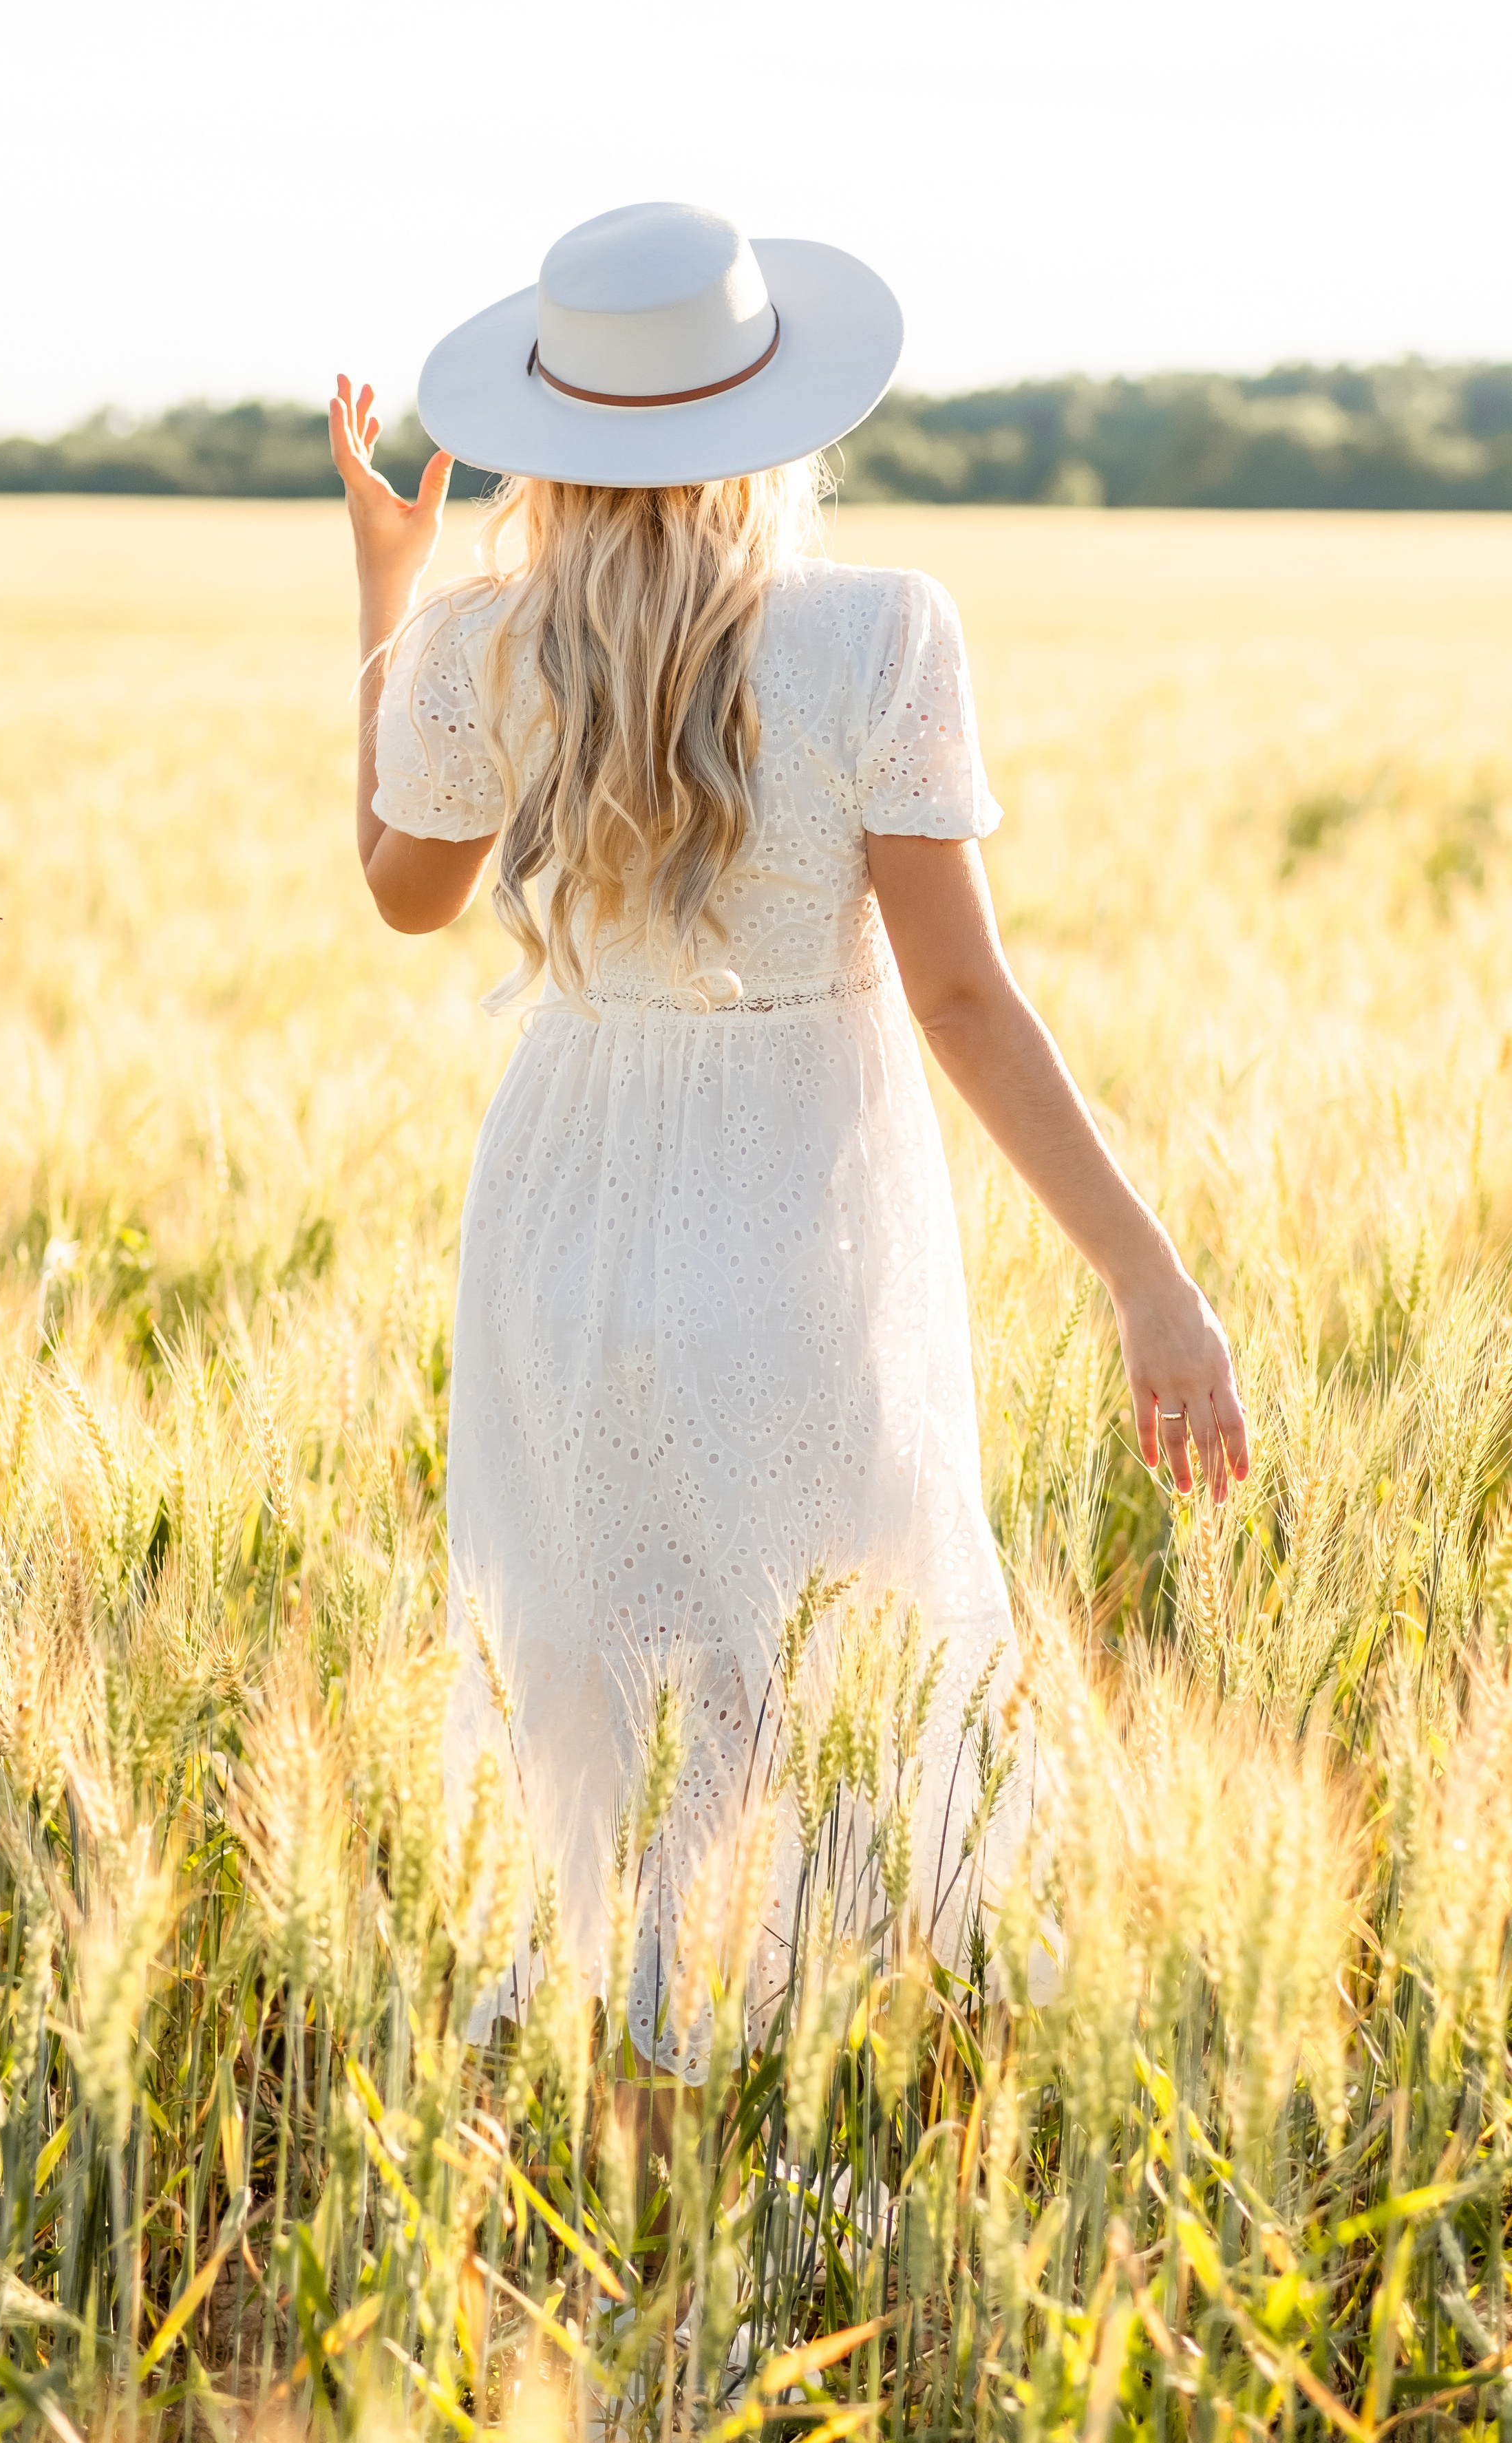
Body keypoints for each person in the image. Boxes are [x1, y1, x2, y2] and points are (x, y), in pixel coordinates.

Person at [330, 202, 1248, 2078]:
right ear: (770, 421)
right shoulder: (881, 633)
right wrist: (1150, 1280)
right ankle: (808, 2105)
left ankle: (628, 2083)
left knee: (587, 1640)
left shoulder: (474, 652)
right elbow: (965, 1000)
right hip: (808, 1195)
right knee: (829, 1648)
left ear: (553, 434)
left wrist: (387, 590)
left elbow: (400, 894)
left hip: (564, 1202)